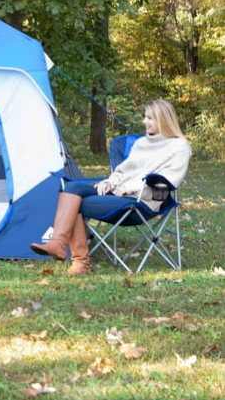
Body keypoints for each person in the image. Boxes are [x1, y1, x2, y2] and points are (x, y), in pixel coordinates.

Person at [30, 99, 191, 275]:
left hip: (140, 203)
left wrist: (130, 188)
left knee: (74, 204)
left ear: (164, 119)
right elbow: (122, 171)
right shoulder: (141, 143)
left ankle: (80, 262)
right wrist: (110, 182)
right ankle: (58, 245)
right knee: (72, 187)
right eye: (145, 117)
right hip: (117, 194)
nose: (144, 121)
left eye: (150, 118)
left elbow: (167, 183)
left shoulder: (179, 146)